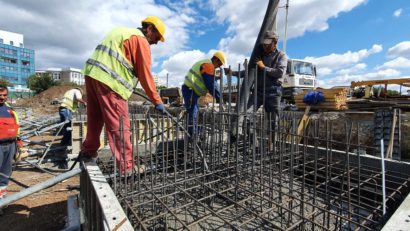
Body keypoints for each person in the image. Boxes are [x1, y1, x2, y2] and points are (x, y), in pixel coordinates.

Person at [80, 16, 166, 175]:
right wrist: (157, 101)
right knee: (120, 125)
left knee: (95, 117)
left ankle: (88, 151)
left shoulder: (122, 31)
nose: (156, 42)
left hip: (92, 75)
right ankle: (126, 167)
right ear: (149, 29)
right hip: (111, 82)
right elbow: (145, 75)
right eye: (156, 37)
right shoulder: (141, 41)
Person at [181, 51, 226, 135]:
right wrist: (219, 98)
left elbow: (209, 81)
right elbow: (211, 84)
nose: (219, 67)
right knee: (192, 114)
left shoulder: (206, 64)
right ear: (216, 59)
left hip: (192, 91)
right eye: (219, 64)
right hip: (190, 91)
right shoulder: (208, 65)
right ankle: (193, 136)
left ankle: (194, 133)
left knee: (193, 113)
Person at [0, 85, 23, 213]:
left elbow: (16, 126)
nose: (2, 98)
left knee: (5, 173)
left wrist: (19, 142)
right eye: (0, 95)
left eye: (4, 95)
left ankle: (2, 198)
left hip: (10, 145)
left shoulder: (10, 110)